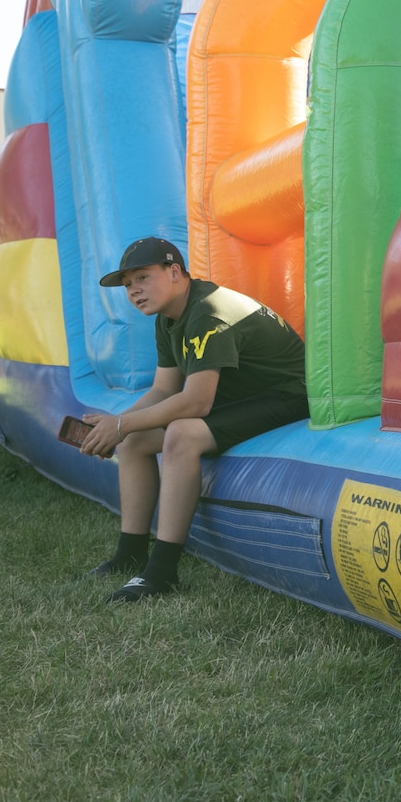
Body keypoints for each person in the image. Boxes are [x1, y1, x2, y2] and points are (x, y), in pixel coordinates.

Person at [76, 237, 309, 602]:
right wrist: (118, 425)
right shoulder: (168, 317)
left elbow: (197, 402)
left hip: (289, 395)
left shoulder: (207, 310)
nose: (134, 291)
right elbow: (164, 390)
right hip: (241, 399)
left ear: (174, 272)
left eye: (142, 277)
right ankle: (130, 553)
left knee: (182, 435)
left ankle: (162, 571)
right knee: (135, 441)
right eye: (127, 285)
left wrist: (121, 424)